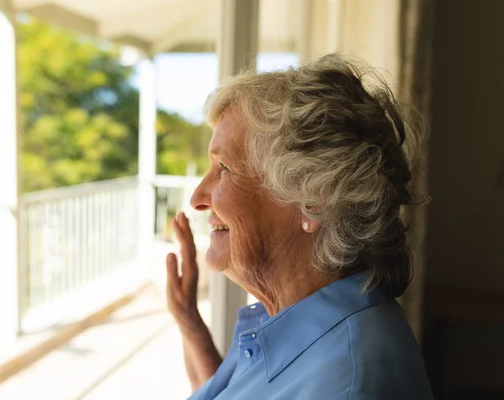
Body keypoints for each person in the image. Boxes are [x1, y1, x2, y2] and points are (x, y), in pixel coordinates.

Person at [165, 54, 433, 400]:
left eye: (224, 168)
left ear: (315, 197)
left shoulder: (346, 386)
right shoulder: (299, 320)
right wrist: (190, 322)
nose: (198, 197)